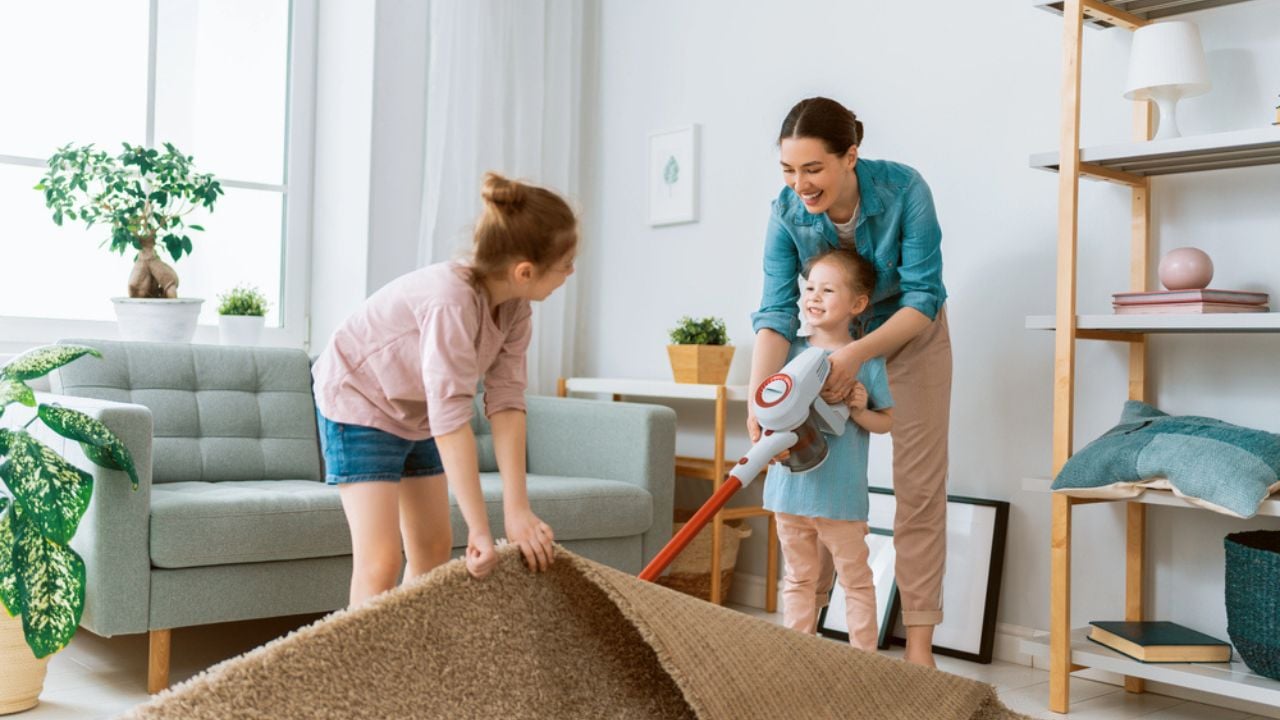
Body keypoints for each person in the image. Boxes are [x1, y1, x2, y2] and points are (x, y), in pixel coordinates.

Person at [750, 96, 951, 666]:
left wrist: (855, 356)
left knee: (917, 486)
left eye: (812, 169)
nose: (800, 185)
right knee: (809, 484)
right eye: (789, 170)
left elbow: (923, 299)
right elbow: (774, 311)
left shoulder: (904, 190)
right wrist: (758, 393)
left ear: (850, 156)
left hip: (908, 333)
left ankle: (917, 650)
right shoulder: (786, 213)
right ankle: (806, 644)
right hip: (820, 345)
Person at [312, 172, 576, 606]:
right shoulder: (449, 301)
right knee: (379, 563)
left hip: (417, 410)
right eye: (566, 262)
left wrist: (517, 512)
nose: (571, 271)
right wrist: (479, 529)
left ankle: (412, 661)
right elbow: (452, 420)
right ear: (525, 271)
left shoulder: (517, 307)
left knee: (434, 551)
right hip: (359, 401)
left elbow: (506, 401)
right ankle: (363, 672)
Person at [763, 248, 893, 651]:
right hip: (790, 492)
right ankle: (798, 657)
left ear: (857, 304)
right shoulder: (787, 351)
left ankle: (863, 662)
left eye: (828, 290)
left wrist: (858, 410)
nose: (813, 297)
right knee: (798, 579)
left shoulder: (867, 362)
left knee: (854, 579)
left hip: (839, 498)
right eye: (810, 288)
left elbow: (887, 421)